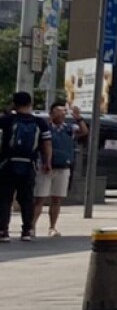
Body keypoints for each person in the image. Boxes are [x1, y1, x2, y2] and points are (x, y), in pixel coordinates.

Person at [0, 92, 51, 243]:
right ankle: (27, 230)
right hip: (29, 164)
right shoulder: (40, 123)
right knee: (27, 198)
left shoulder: (6, 120)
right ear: (31, 103)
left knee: (5, 198)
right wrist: (47, 162)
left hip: (7, 164)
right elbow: (47, 144)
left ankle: (3, 231)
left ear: (14, 104)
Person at [35, 101, 78, 236]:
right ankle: (31, 226)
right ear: (52, 113)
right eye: (59, 111)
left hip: (63, 167)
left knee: (57, 199)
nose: (62, 114)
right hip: (45, 168)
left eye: (64, 112)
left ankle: (52, 227)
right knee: (39, 198)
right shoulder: (45, 128)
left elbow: (84, 131)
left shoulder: (69, 128)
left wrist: (78, 117)